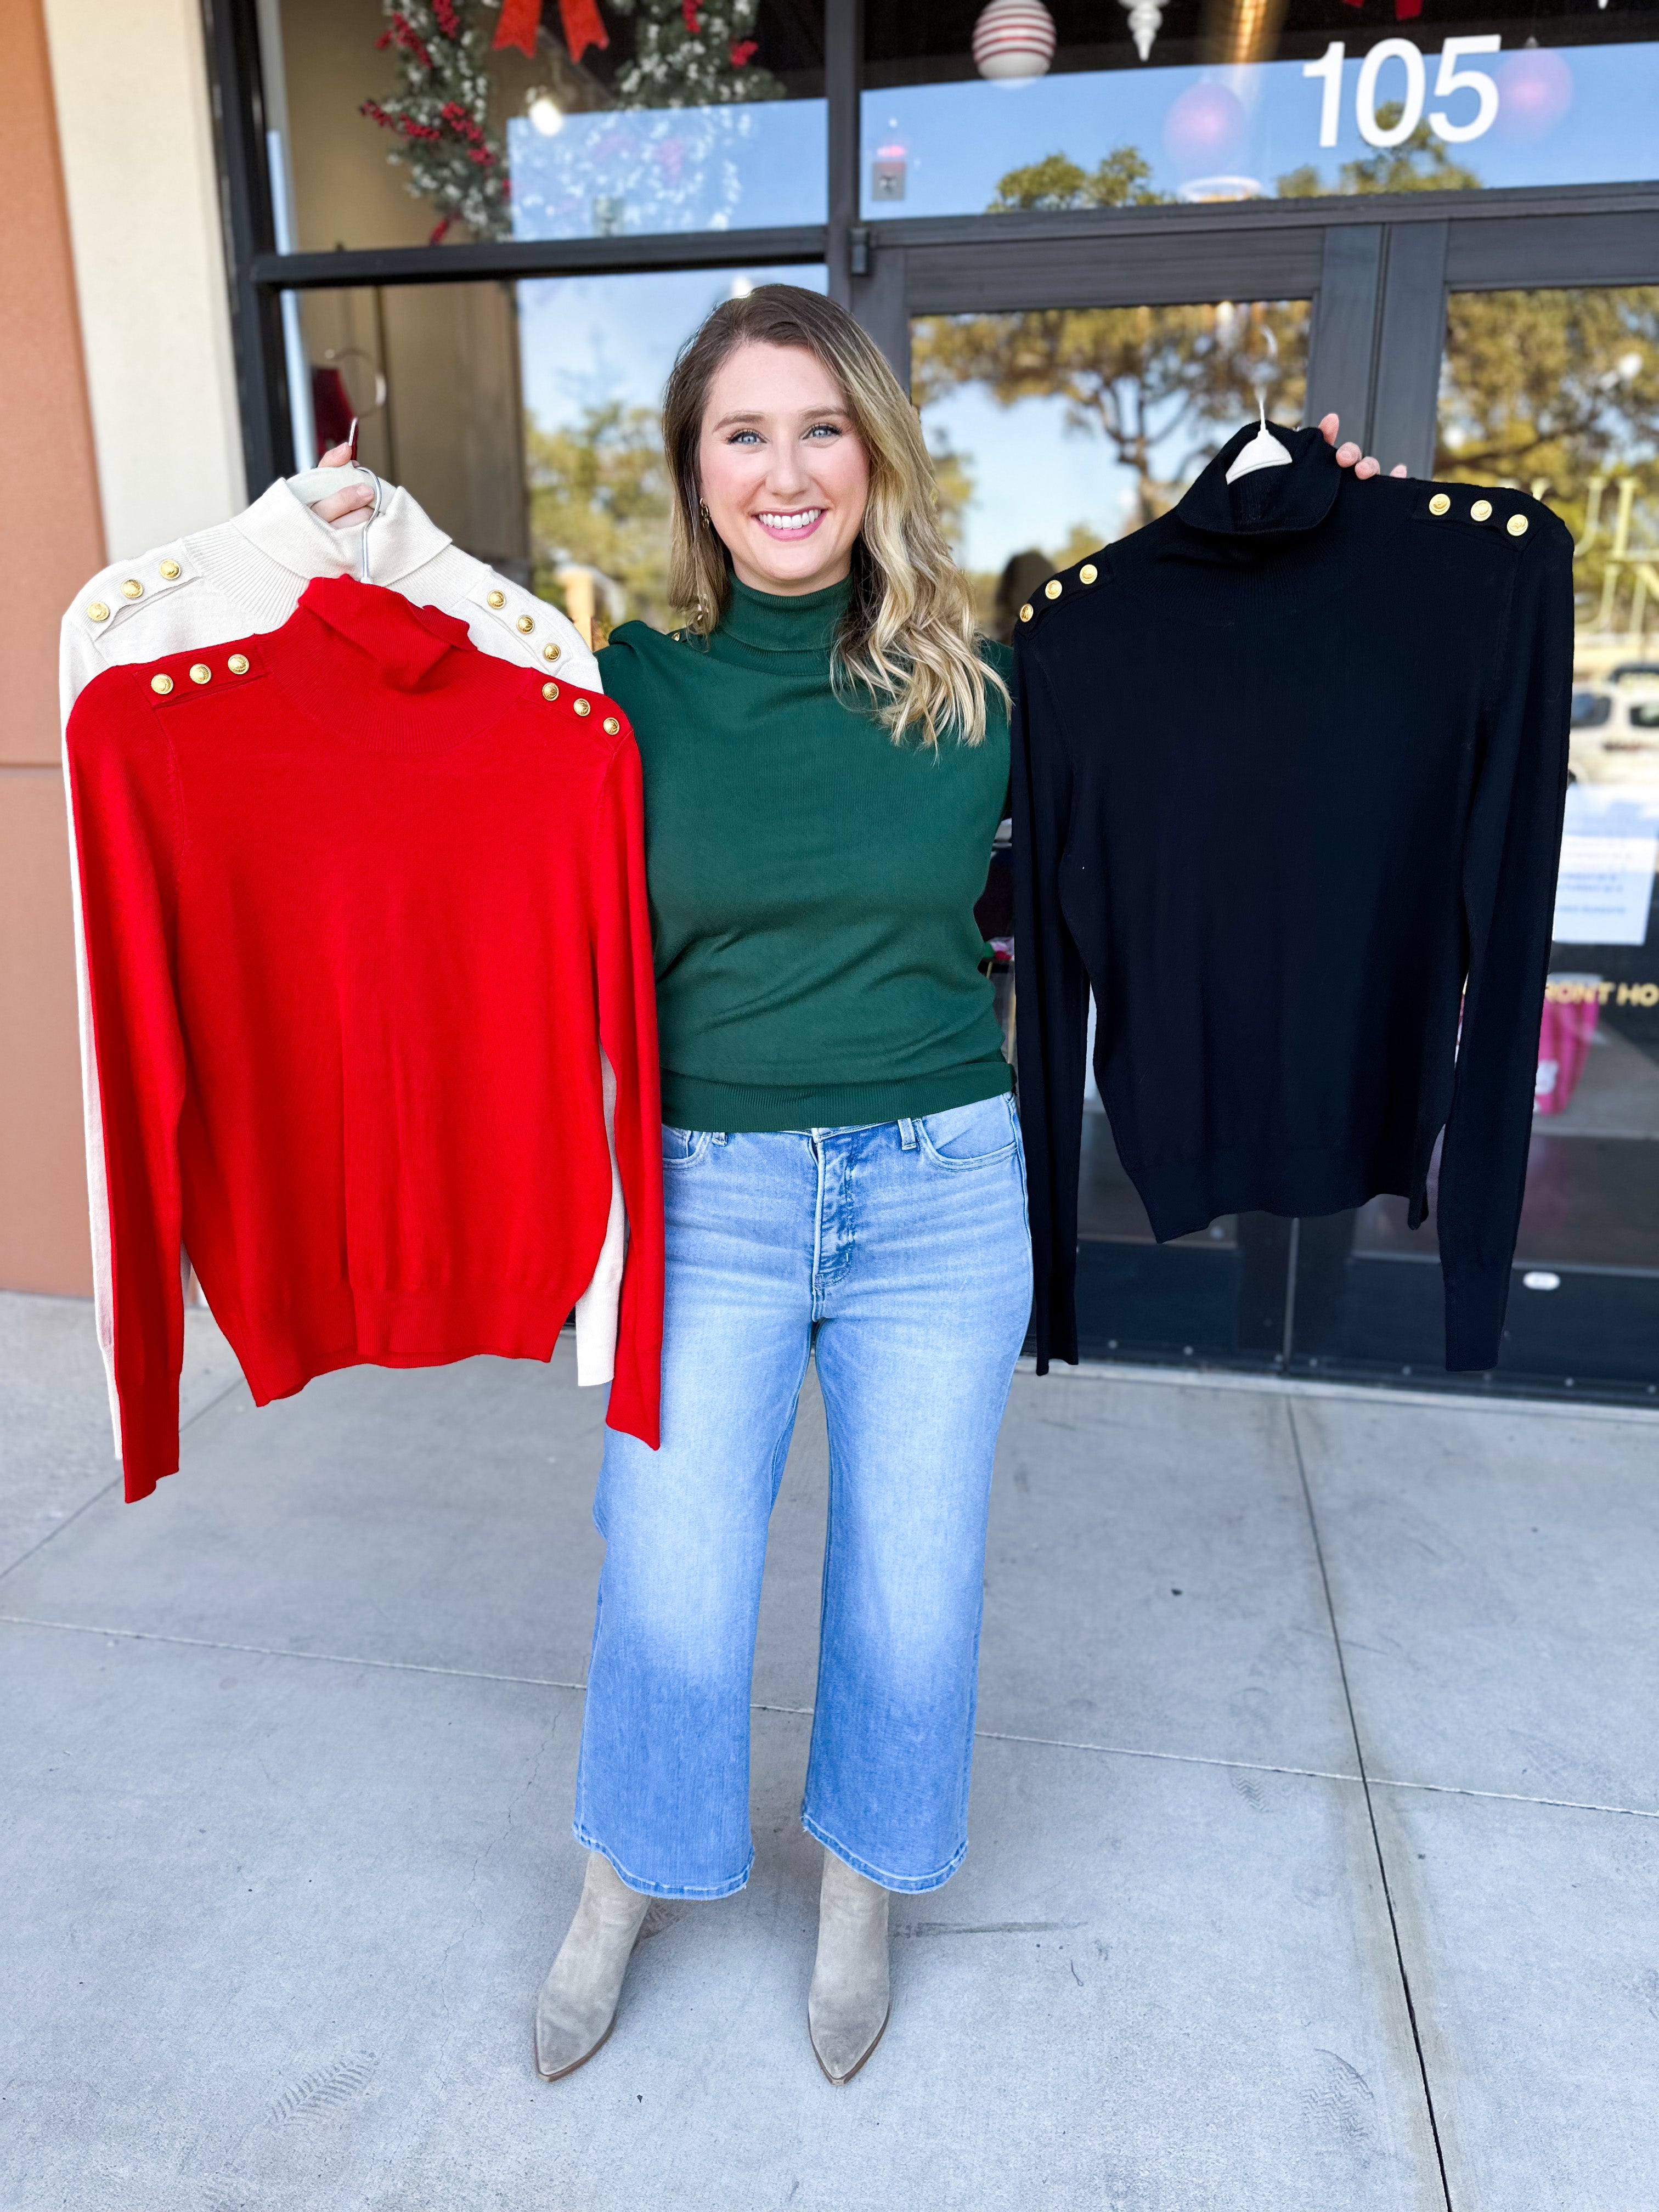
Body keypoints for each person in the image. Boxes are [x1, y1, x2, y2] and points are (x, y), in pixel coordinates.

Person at [310, 336, 1396, 2085]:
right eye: (747, 434)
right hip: (703, 1194)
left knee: (910, 1585)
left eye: (824, 430)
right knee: (671, 1575)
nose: (789, 470)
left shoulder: (978, 693)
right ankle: (622, 1881)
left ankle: (864, 1893)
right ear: (696, 469)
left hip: (940, 1198)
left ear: (877, 459)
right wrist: (346, 551)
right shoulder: (621, 690)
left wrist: (1321, 531)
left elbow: (1234, 683)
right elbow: (414, 753)